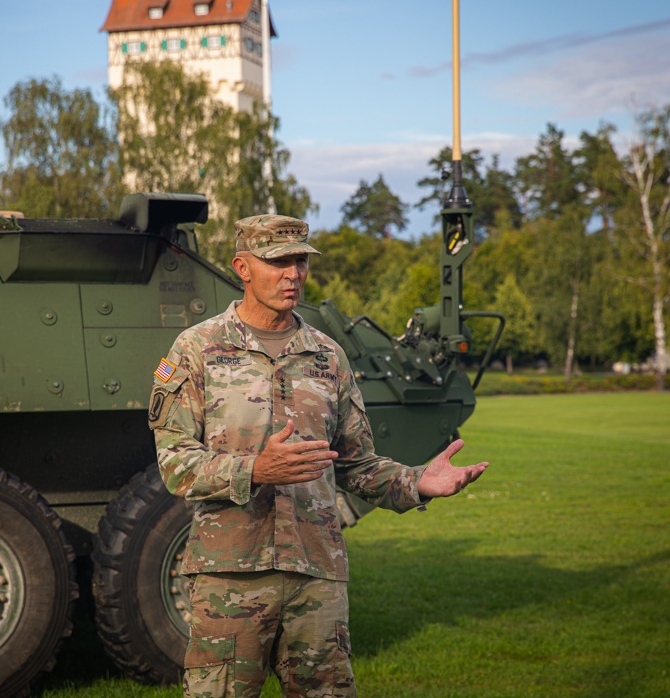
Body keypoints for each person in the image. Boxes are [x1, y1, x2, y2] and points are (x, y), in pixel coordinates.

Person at [148, 214, 489, 698]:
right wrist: (255, 470)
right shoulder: (195, 350)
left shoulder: (328, 356)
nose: (294, 274)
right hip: (232, 578)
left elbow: (355, 464)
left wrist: (417, 482)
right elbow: (175, 464)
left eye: (301, 261)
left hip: (317, 577)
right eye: (279, 261)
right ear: (242, 267)